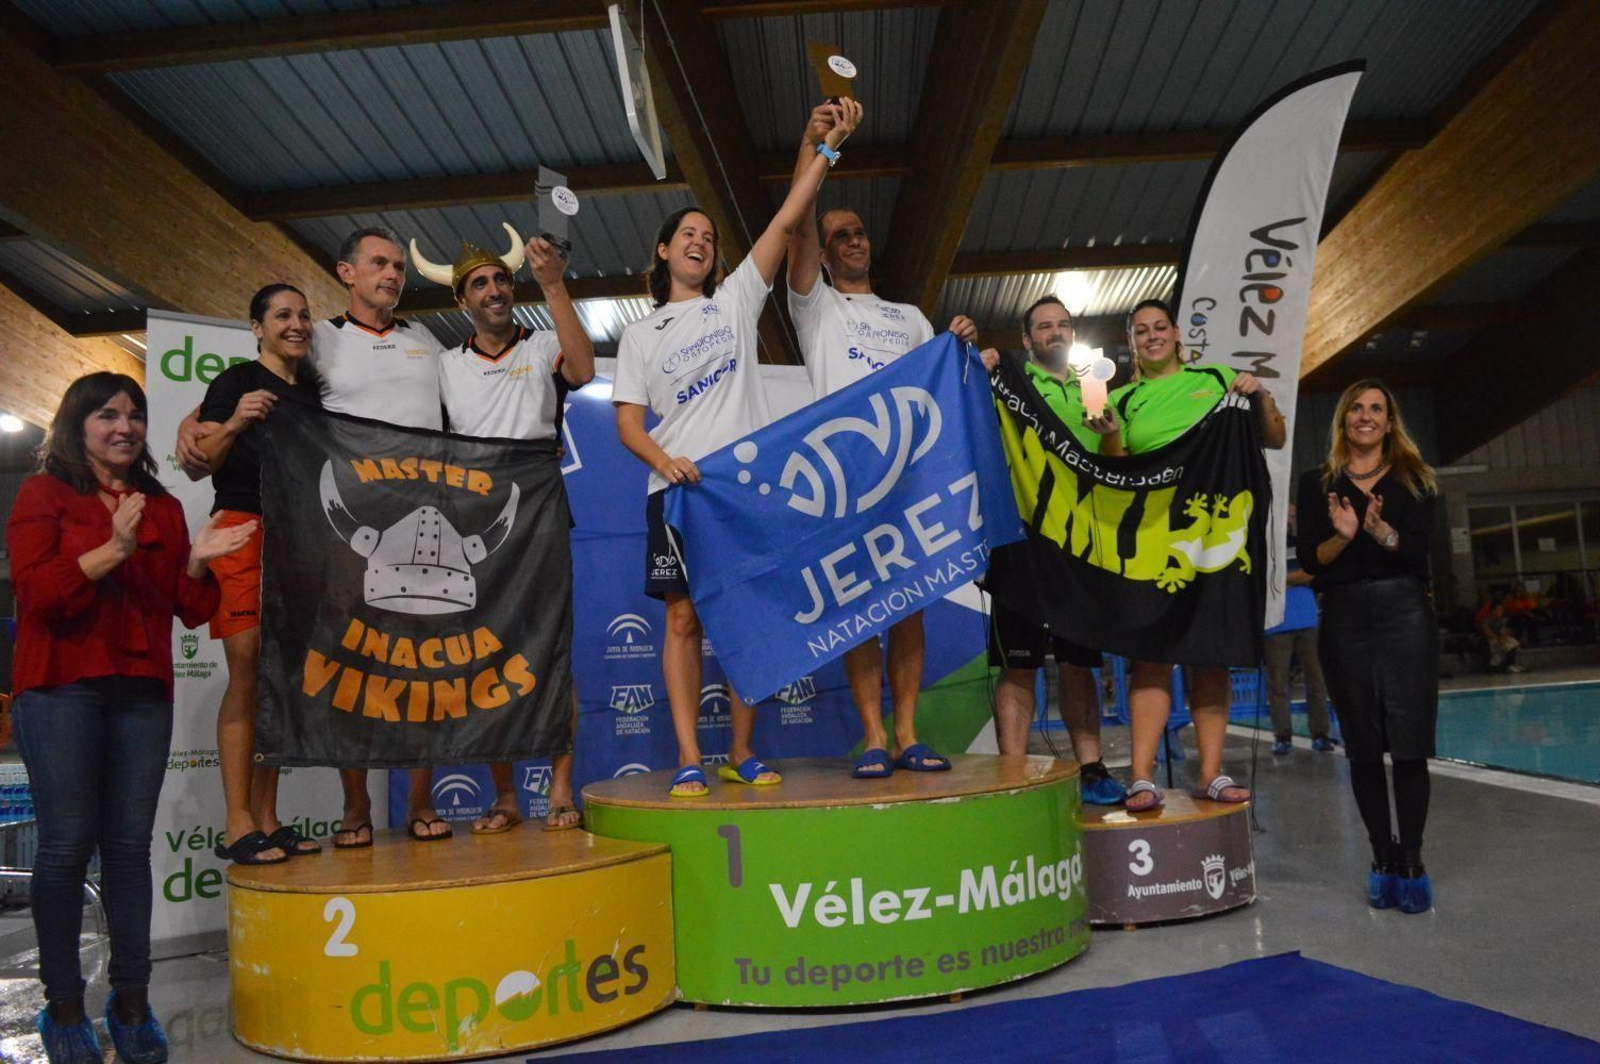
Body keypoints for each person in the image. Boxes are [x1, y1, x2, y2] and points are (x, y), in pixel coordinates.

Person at [613, 99, 863, 797]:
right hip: (677, 492)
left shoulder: (732, 302)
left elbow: (788, 221)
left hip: (740, 488)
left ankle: (742, 750)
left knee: (748, 617)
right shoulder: (640, 335)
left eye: (708, 235)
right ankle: (691, 755)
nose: (700, 240)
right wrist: (665, 463)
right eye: (686, 233)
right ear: (663, 251)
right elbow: (629, 423)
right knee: (685, 618)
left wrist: (829, 150)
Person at [7, 373, 255, 1064]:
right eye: (106, 415)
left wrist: (200, 567)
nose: (124, 426)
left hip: (142, 693)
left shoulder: (166, 509)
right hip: (60, 689)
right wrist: (112, 550)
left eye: (135, 415)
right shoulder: (43, 494)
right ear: (76, 425)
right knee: (62, 850)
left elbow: (188, 608)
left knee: (127, 851)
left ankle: (134, 1002)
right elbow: (36, 592)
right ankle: (63, 1010)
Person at [178, 227, 452, 846]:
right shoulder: (297, 353)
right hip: (273, 532)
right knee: (269, 673)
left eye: (398, 264)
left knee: (305, 676)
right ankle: (251, 820)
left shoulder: (352, 366)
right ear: (346, 272)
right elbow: (202, 444)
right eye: (378, 262)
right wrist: (198, 423)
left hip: (321, 538)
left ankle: (272, 818)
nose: (296, 324)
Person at [784, 102, 980, 778]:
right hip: (845, 477)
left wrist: (957, 346)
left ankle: (906, 733)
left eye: (859, 232)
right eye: (839, 235)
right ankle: (871, 736)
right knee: (859, 612)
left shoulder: (909, 317)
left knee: (907, 608)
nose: (852, 241)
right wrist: (816, 145)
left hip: (909, 477)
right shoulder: (814, 305)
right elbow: (797, 225)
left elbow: (939, 394)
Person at [415, 227, 595, 831]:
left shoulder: (543, 345)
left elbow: (587, 367)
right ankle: (506, 796)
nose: (492, 290)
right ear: (462, 301)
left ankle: (562, 789)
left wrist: (554, 285)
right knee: (482, 659)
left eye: (499, 280)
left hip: (541, 510)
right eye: (478, 284)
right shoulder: (445, 366)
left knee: (551, 656)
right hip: (473, 519)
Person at [1101, 298, 1286, 811]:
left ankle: (1210, 773)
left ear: (1178, 333)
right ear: (1133, 342)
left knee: (1211, 652)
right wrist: (1111, 433)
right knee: (1152, 654)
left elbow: (1273, 436)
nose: (1153, 336)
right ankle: (1141, 775)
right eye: (1142, 331)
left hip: (1214, 531)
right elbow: (1116, 470)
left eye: (1160, 327)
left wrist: (1261, 394)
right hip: (1155, 535)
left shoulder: (1218, 378)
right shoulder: (1124, 398)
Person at [1296, 379, 1439, 914]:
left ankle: (1413, 861)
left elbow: (1420, 552)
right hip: (1345, 619)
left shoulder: (1417, 480)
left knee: (1408, 743)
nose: (1366, 417)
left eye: (1377, 408)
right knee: (1361, 745)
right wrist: (1345, 534)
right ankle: (1381, 857)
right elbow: (1314, 560)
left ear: (1390, 420)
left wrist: (1381, 533)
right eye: (1356, 408)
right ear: (1343, 419)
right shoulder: (1318, 484)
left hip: (1405, 616)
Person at [194, 284, 325, 865]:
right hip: (242, 527)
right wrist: (234, 422)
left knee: (281, 678)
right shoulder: (236, 381)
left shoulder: (315, 391)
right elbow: (202, 462)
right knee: (247, 665)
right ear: (257, 327)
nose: (295, 324)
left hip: (298, 537)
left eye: (301, 315)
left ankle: (268, 817)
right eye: (282, 315)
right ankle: (235, 820)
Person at [985, 296, 1125, 804]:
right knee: (1018, 663)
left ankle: (1091, 769)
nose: (1056, 332)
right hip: (1020, 539)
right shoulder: (1006, 384)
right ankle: (1013, 776)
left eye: (1063, 324)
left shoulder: (1093, 386)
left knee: (1077, 662)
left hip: (1079, 542)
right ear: (1027, 340)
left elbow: (1113, 462)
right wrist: (978, 370)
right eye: (1044, 326)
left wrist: (1109, 438)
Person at [1264, 502, 1336, 755]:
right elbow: (1263, 578)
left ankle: (1321, 734)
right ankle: (1282, 736)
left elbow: (1312, 573)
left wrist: (1282, 579)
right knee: (1277, 684)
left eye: (1290, 516)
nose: (1288, 520)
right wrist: (1292, 579)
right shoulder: (1264, 546)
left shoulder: (1302, 544)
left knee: (1316, 680)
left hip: (1307, 620)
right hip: (1275, 623)